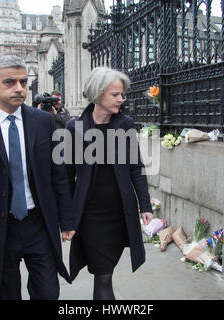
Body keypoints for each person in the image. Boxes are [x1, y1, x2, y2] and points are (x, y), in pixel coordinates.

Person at [0, 55, 75, 300]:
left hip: (38, 224)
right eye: (10, 82)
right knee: (5, 293)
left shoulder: (44, 121)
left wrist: (67, 220)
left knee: (48, 292)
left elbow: (58, 175)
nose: (19, 89)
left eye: (23, 82)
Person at [65, 67, 153, 300]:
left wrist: (145, 205)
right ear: (98, 94)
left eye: (121, 94)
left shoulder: (125, 124)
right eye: (115, 94)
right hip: (91, 216)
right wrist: (67, 218)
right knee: (102, 275)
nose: (121, 99)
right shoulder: (74, 128)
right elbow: (65, 177)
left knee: (106, 274)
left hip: (119, 213)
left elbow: (136, 167)